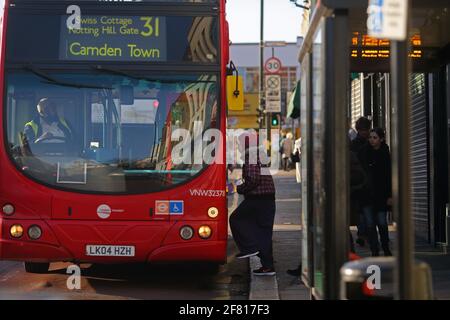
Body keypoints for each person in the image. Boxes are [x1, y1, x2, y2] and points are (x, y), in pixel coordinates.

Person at [229, 136, 277, 276]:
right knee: (264, 232)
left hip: (258, 199)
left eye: (239, 144)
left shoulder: (251, 157)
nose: (238, 147)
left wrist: (240, 188)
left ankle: (249, 247)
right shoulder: (259, 155)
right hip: (268, 199)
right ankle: (268, 267)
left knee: (236, 219)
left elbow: (254, 179)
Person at [358, 128, 392, 256]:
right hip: (366, 194)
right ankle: (374, 250)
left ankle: (386, 247)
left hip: (381, 195)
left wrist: (390, 195)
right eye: (370, 137)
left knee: (382, 223)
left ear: (381, 139)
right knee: (370, 224)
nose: (372, 140)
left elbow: (389, 177)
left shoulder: (385, 154)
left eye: (375, 137)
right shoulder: (363, 153)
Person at [350, 117, 371, 247]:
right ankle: (363, 235)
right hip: (359, 183)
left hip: (367, 183)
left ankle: (365, 235)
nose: (366, 132)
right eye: (363, 130)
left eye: (367, 130)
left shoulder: (371, 142)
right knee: (361, 212)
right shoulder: (355, 145)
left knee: (365, 212)